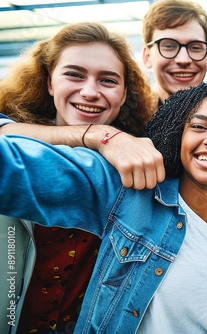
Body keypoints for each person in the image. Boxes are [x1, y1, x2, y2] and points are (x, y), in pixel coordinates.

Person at [0, 82, 207, 333]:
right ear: (177, 135)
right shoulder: (128, 192)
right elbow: (15, 168)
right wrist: (100, 135)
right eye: (198, 127)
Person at [0, 22, 163, 334]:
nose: (90, 91)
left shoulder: (137, 156)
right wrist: (98, 134)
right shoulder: (15, 141)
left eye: (108, 80)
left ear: (125, 92)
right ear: (49, 82)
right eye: (74, 74)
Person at [142, 0, 207, 104]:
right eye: (169, 46)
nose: (183, 60)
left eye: (195, 48)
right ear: (147, 57)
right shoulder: (127, 117)